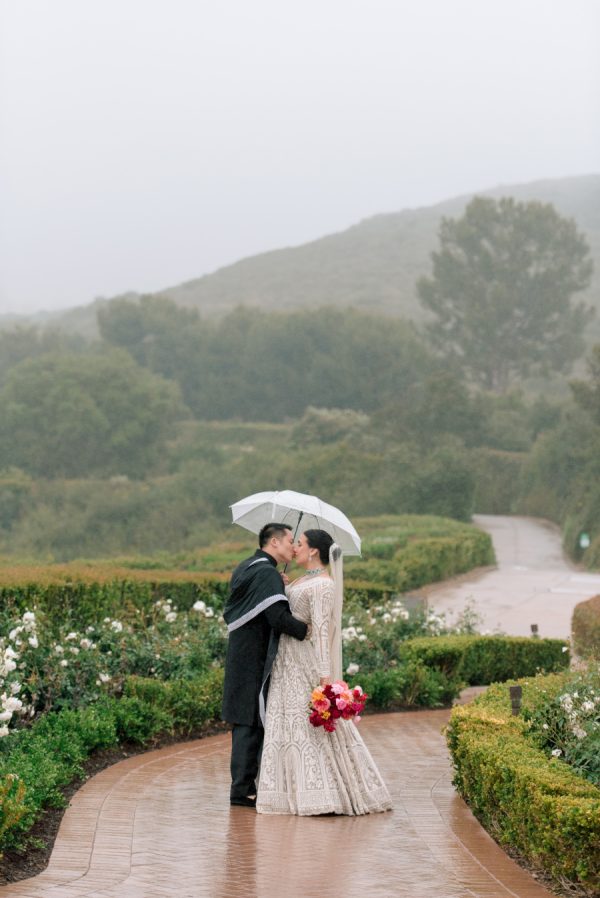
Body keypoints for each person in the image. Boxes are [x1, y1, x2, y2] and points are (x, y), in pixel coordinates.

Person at [256, 528, 392, 815]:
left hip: (302, 660)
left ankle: (325, 793)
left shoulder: (323, 585)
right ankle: (290, 791)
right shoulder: (302, 580)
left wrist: (324, 680)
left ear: (314, 550)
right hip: (285, 660)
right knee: (287, 724)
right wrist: (282, 584)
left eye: (300, 543)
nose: (295, 548)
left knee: (308, 723)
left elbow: (320, 631)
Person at [222, 523, 309, 808]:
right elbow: (277, 617)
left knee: (244, 719)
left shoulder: (248, 566)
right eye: (290, 541)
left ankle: (243, 786)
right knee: (251, 720)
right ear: (274, 542)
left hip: (241, 653)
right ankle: (242, 791)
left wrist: (276, 585)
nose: (293, 547)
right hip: (255, 656)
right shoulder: (266, 573)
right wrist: (307, 630)